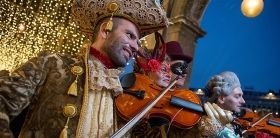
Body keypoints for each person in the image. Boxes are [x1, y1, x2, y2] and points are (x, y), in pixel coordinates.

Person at [0, 0, 168, 137]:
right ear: (105, 30)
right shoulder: (51, 63)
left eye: (137, 42)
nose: (135, 47)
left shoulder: (121, 91)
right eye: (130, 36)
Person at [198, 71, 245, 138]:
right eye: (237, 96)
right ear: (221, 98)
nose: (243, 101)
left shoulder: (232, 123)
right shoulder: (205, 124)